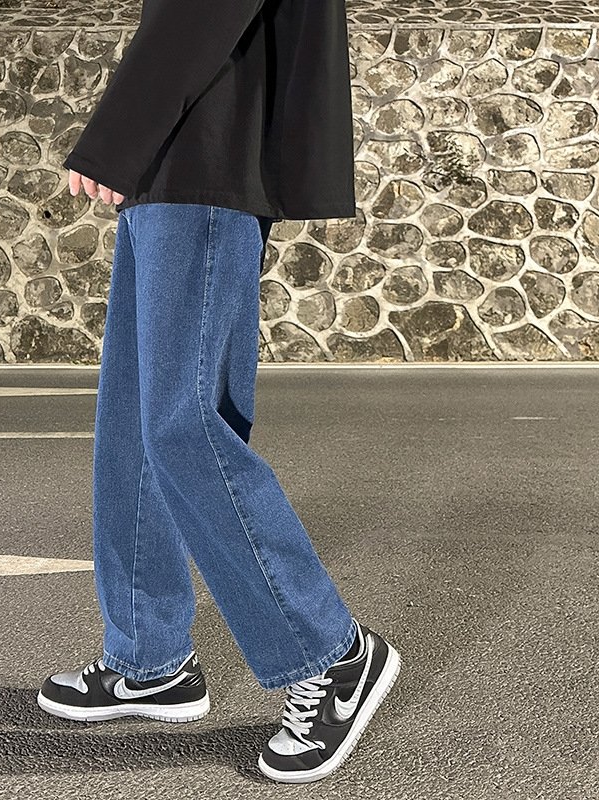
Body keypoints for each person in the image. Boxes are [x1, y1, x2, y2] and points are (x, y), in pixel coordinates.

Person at [37, 0, 401, 783]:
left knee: (182, 423)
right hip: (176, 162)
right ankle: (149, 659)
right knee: (138, 422)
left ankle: (332, 654)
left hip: (207, 152)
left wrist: (116, 136)